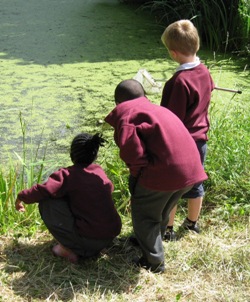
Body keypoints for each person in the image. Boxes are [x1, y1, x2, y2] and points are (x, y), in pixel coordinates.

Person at [104, 79, 208, 273]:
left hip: (166, 172)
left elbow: (131, 153)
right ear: (144, 96)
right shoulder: (158, 110)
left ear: (118, 103)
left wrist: (137, 177)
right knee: (161, 211)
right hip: (191, 171)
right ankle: (151, 240)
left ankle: (154, 262)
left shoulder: (127, 116)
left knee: (144, 215)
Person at [15, 133, 122, 263]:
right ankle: (93, 247)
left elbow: (43, 190)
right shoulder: (99, 172)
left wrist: (21, 197)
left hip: (89, 240)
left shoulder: (67, 175)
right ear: (95, 155)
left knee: (47, 200)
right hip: (109, 236)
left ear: (72, 155)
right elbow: (108, 188)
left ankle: (71, 250)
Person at [160, 19, 215, 241]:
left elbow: (170, 118)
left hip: (181, 143)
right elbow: (207, 89)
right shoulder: (205, 71)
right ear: (197, 45)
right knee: (196, 184)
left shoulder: (178, 82)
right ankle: (192, 224)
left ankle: (168, 229)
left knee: (173, 186)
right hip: (200, 140)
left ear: (173, 53)